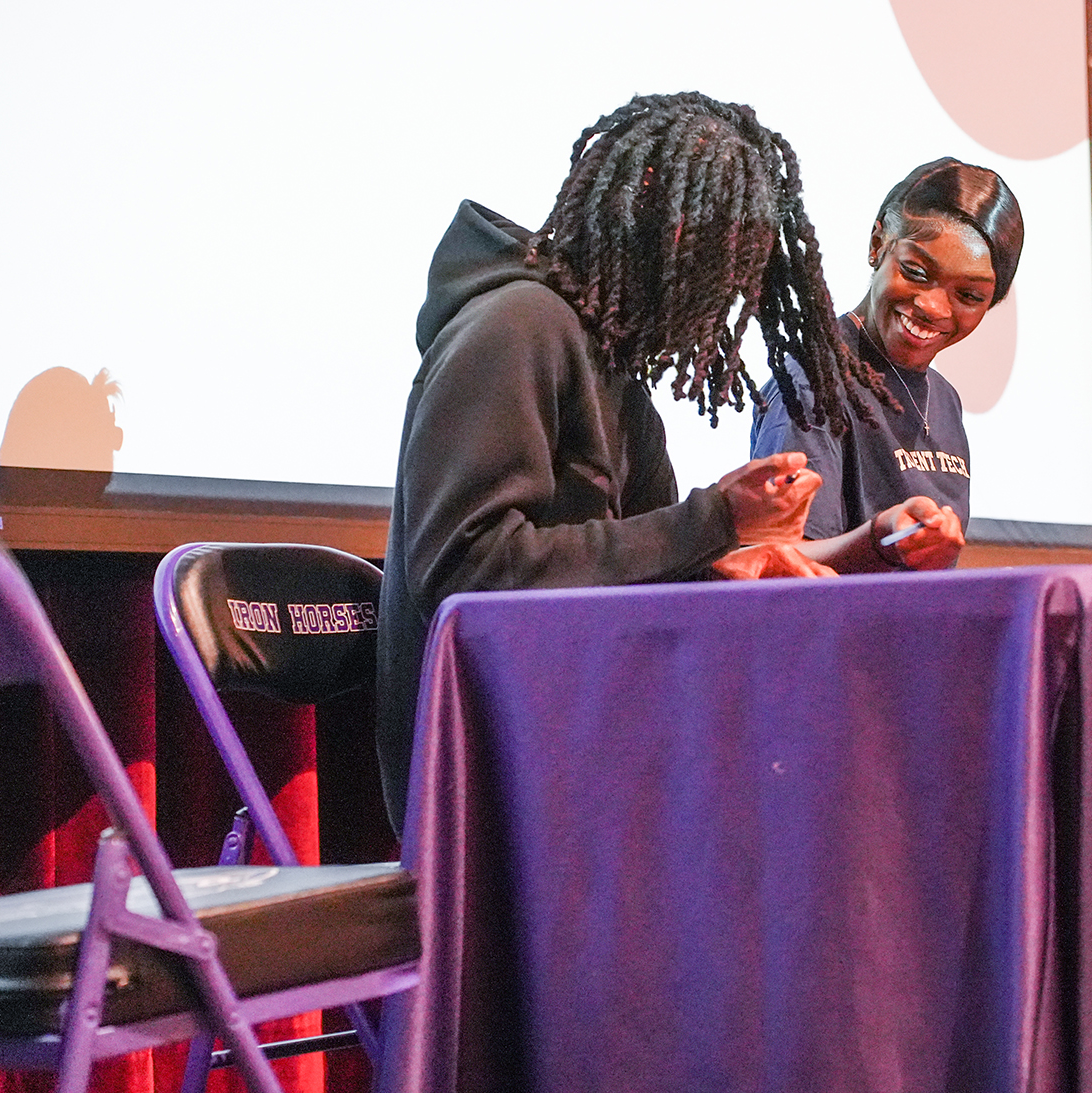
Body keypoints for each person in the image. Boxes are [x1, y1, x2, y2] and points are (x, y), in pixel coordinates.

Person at [375, 92, 951, 829]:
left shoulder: (612, 368)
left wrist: (818, 550)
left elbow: (648, 563)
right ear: (651, 209)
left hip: (578, 729)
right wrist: (712, 518)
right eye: (717, 255)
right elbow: (463, 568)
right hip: (490, 767)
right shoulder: (515, 327)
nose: (726, 289)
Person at [749, 157, 1024, 572]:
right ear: (878, 244)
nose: (933, 306)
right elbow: (775, 563)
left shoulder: (944, 398)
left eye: (968, 296)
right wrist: (881, 538)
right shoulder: (814, 379)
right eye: (915, 272)